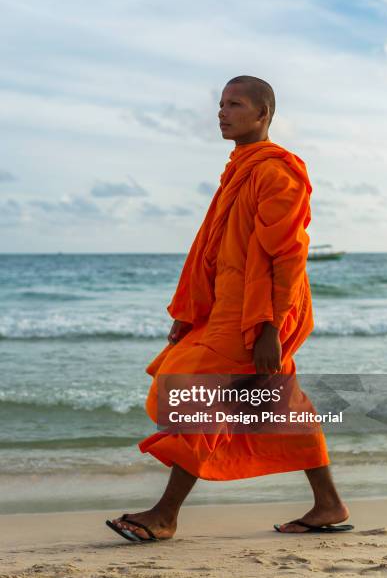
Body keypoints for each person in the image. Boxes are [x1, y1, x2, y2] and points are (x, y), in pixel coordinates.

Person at [107, 75, 351, 540]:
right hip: (228, 309)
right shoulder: (240, 168)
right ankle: (329, 503)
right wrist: (190, 310)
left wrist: (270, 328)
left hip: (256, 317)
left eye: (234, 104)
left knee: (196, 393)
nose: (222, 112)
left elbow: (288, 256)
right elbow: (217, 250)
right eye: (220, 104)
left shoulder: (275, 172)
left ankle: (165, 515)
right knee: (281, 405)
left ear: (263, 115)